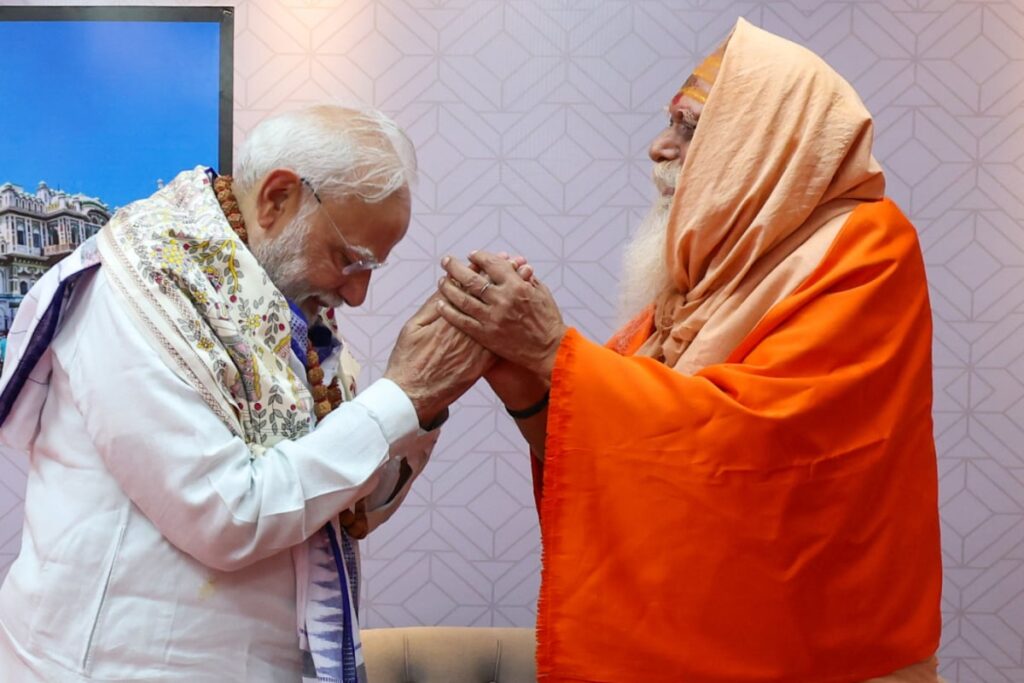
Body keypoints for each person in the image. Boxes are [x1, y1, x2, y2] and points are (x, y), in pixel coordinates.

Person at [435, 19, 945, 683]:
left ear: (761, 142)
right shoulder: (726, 258)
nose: (658, 147)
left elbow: (758, 450)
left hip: (823, 657)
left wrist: (554, 351)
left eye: (688, 127)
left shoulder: (869, 246)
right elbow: (618, 449)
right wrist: (533, 382)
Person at [0, 105, 494, 682]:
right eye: (351, 259)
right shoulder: (139, 288)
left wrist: (427, 397)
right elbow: (228, 514)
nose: (358, 295)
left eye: (373, 267)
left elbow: (340, 500)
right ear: (277, 198)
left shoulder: (272, 313)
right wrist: (401, 395)